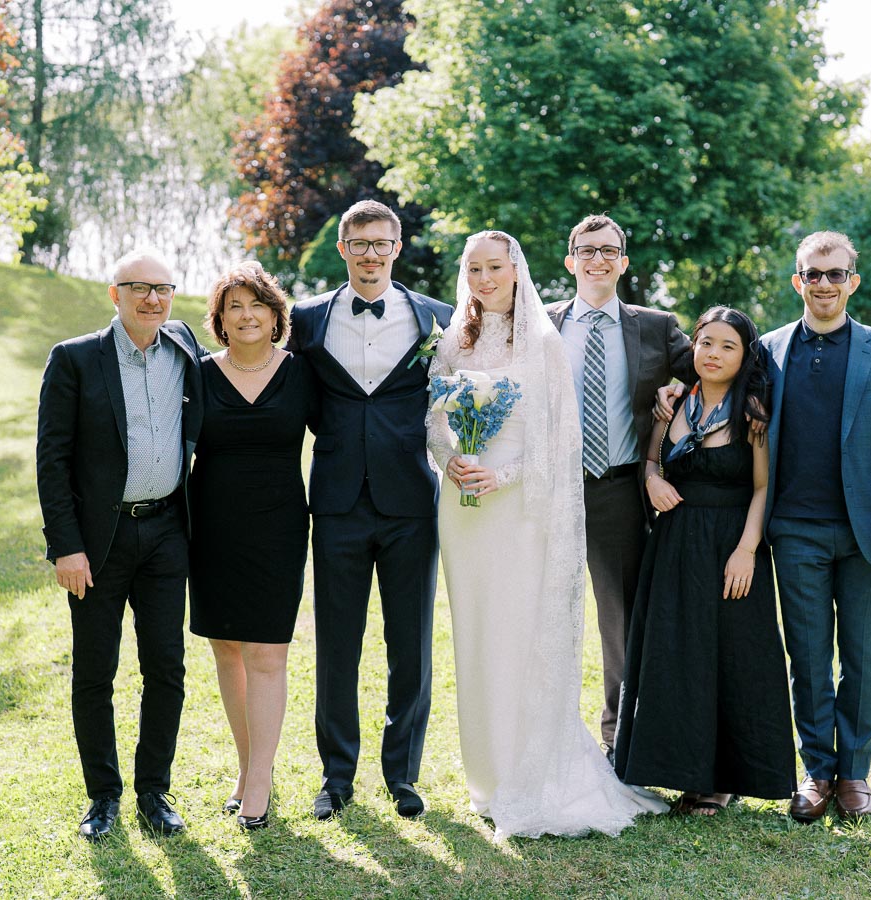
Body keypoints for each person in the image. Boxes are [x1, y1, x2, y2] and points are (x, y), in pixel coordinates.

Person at [429, 230, 668, 840]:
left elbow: (560, 439)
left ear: (516, 270)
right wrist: (449, 458)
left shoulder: (543, 340)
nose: (484, 279)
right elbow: (433, 416)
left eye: (495, 267)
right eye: (474, 268)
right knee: (477, 632)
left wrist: (501, 474)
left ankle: (529, 766)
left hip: (521, 506)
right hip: (464, 509)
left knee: (521, 629)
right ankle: (488, 768)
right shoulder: (455, 337)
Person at [286, 200, 454, 820]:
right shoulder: (306, 320)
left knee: (410, 643)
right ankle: (336, 777)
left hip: (411, 500)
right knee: (337, 645)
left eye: (382, 243)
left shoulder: (437, 318)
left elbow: (460, 398)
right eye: (359, 244)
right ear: (343, 249)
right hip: (334, 502)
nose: (371, 254)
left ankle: (403, 774)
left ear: (397, 247)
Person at [36, 250, 202, 840]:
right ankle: (102, 796)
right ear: (115, 294)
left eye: (162, 288)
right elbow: (52, 460)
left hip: (166, 535)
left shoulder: (185, 350)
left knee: (167, 667)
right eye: (139, 288)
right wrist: (65, 547)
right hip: (97, 542)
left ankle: (154, 791)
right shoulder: (76, 358)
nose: (152, 299)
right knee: (94, 672)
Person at [762, 231, 871, 822]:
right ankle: (817, 771)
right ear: (797, 281)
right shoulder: (768, 349)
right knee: (806, 655)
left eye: (836, 274)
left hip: (870, 529)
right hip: (794, 529)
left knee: (863, 654)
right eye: (814, 274)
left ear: (853, 280)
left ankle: (855, 773)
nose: (824, 284)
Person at [612, 306, 796, 815]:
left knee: (731, 658)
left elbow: (762, 488)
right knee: (676, 657)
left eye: (728, 346)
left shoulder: (752, 411)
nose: (714, 354)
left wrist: (747, 551)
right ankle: (678, 771)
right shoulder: (673, 403)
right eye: (706, 343)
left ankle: (720, 781)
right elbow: (652, 459)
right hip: (672, 545)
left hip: (730, 544)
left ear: (745, 355)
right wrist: (652, 480)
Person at [545, 214, 695, 759]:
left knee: (621, 622)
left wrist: (678, 397)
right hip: (549, 491)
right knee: (543, 615)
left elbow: (709, 367)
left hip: (617, 492)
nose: (598, 260)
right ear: (571, 261)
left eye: (609, 251)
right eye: (587, 250)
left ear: (623, 262)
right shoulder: (539, 324)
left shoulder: (654, 325)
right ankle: (546, 737)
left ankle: (619, 741)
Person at [187, 262, 313, 831]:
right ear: (219, 319)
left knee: (266, 652)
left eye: (256, 304)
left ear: (274, 314)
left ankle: (260, 779)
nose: (246, 315)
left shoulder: (302, 373)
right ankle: (245, 767)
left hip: (279, 526)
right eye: (234, 306)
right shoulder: (199, 375)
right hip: (211, 525)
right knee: (227, 651)